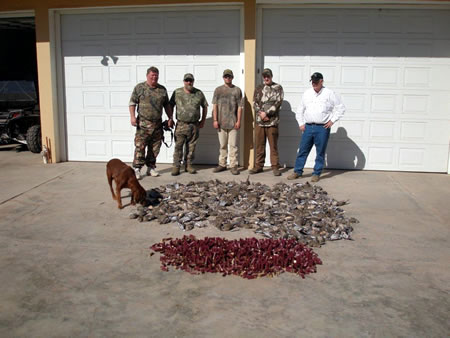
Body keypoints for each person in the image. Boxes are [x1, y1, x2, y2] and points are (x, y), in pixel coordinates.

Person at [287, 72, 345, 182]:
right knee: (303, 150)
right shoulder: (307, 93)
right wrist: (301, 123)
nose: (314, 84)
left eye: (316, 82)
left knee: (320, 152)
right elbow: (300, 110)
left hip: (322, 128)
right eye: (312, 82)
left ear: (321, 81)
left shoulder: (329, 93)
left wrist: (332, 121)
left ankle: (316, 173)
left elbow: (341, 108)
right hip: (308, 127)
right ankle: (297, 171)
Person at [129, 66, 174, 180]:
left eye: (156, 76)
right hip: (143, 124)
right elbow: (132, 103)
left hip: (157, 125)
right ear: (147, 76)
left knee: (155, 148)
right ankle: (137, 169)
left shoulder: (162, 90)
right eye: (152, 75)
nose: (154, 78)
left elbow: (167, 105)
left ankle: (151, 168)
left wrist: (170, 118)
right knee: (140, 146)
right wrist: (133, 117)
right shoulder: (140, 88)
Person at [169, 73, 208, 176]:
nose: (189, 82)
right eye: (187, 80)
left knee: (191, 147)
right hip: (181, 124)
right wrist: (170, 118)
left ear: (193, 81)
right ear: (184, 81)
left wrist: (203, 120)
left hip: (194, 125)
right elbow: (170, 106)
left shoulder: (199, 93)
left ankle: (188, 165)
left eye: (190, 80)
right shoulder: (177, 92)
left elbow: (205, 106)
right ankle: (176, 166)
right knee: (178, 146)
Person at [249, 68, 284, 176]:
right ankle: (259, 166)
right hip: (260, 122)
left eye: (268, 76)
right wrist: (261, 114)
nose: (266, 78)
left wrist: (267, 114)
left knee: (273, 145)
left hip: (272, 122)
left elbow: (278, 103)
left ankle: (275, 167)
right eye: (264, 76)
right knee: (260, 145)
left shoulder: (278, 88)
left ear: (271, 76)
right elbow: (254, 103)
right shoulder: (258, 88)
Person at [212, 69, 244, 175]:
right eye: (226, 76)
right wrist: (215, 120)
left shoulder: (237, 90)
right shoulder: (218, 90)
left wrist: (239, 121)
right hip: (221, 123)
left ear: (232, 77)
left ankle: (233, 165)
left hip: (233, 123)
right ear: (223, 77)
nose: (227, 78)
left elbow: (240, 107)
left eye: (229, 76)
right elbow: (215, 106)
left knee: (233, 146)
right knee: (222, 145)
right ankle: (222, 164)